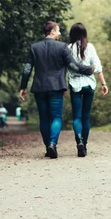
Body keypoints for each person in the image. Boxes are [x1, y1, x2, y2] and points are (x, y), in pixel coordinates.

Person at [19, 21, 93, 159]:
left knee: (44, 119)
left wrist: (23, 87)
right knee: (56, 117)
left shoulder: (34, 47)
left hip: (39, 88)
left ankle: (49, 148)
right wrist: (88, 70)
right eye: (58, 31)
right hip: (56, 88)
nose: (59, 33)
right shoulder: (62, 47)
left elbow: (27, 69)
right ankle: (53, 143)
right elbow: (73, 66)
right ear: (52, 32)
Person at [67, 23, 108, 157]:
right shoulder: (90, 47)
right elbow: (97, 67)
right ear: (84, 33)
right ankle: (84, 144)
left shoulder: (68, 48)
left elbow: (64, 69)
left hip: (75, 85)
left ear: (71, 34)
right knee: (86, 116)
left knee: (77, 116)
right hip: (89, 85)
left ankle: (78, 140)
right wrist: (103, 83)